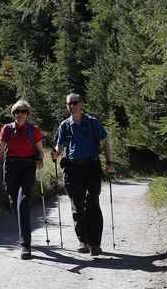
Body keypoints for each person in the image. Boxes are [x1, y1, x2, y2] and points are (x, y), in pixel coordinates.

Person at [51, 93, 115, 256]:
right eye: (68, 104)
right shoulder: (65, 126)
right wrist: (55, 153)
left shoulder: (92, 123)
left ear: (81, 105)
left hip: (92, 167)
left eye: (74, 103)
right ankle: (83, 240)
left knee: (92, 201)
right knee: (77, 205)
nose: (71, 106)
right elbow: (59, 146)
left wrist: (109, 162)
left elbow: (105, 142)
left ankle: (94, 243)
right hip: (72, 169)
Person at [0, 99, 44, 260]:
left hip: (27, 167)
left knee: (23, 202)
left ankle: (25, 245)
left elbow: (40, 152)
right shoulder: (7, 129)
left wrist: (40, 160)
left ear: (28, 114)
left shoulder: (34, 130)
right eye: (17, 112)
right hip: (10, 167)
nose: (20, 114)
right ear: (13, 114)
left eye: (23, 111)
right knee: (14, 203)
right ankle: (24, 226)